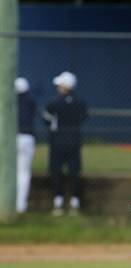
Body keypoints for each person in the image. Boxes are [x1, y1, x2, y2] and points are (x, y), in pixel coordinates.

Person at [43, 71, 88, 215]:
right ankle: (75, 203)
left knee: (57, 172)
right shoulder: (80, 104)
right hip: (74, 141)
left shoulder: (53, 103)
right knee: (75, 172)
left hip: (57, 141)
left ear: (65, 86)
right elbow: (84, 117)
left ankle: (58, 203)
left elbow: (46, 119)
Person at [15, 77, 37, 214]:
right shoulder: (31, 101)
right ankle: (21, 206)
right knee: (23, 172)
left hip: (10, 139)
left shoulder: (8, 101)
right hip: (27, 138)